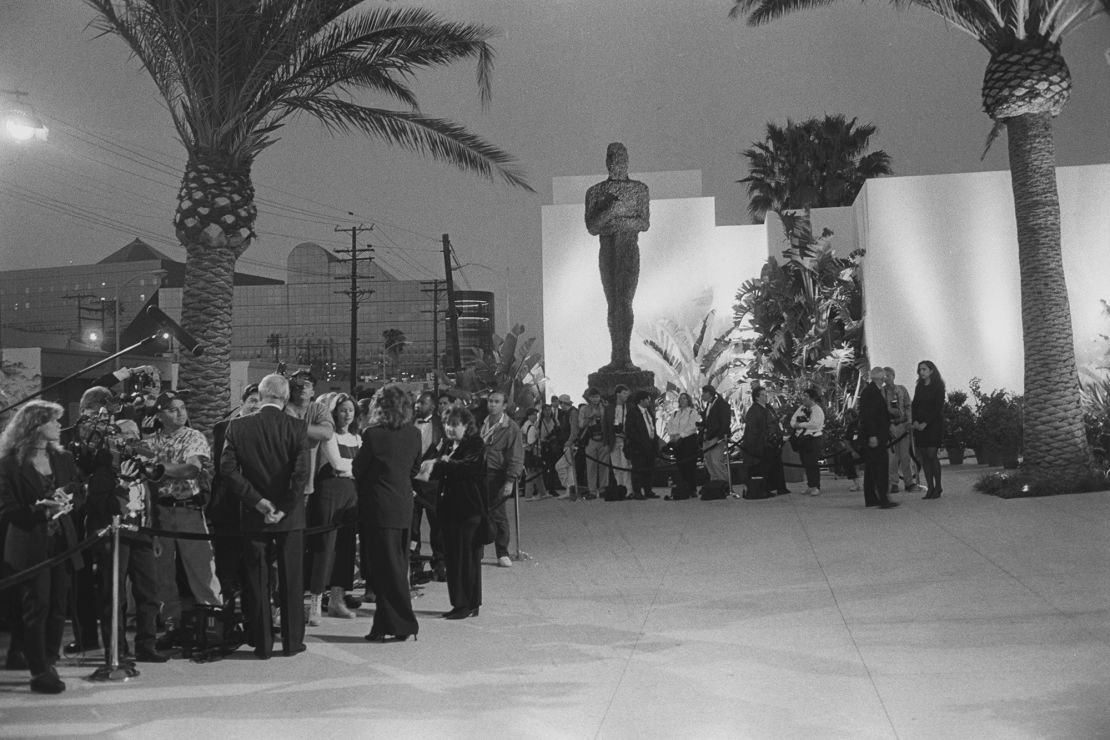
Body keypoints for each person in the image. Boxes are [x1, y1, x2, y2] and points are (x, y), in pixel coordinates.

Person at [73, 386, 167, 663]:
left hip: (142, 531)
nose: (132, 441)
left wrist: (155, 534)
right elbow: (93, 502)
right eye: (127, 436)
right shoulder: (101, 466)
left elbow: (153, 497)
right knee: (113, 595)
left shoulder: (141, 465)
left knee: (148, 592)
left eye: (135, 436)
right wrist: (120, 479)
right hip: (111, 532)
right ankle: (117, 650)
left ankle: (146, 646)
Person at [220, 373, 310, 659]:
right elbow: (300, 475)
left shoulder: (237, 427)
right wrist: (282, 507)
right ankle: (293, 642)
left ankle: (262, 643)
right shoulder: (296, 427)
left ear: (260, 396)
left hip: (253, 515)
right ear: (284, 399)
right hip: (290, 517)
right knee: (291, 579)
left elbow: (228, 470)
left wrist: (258, 502)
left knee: (257, 579)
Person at [0, 401, 83, 694]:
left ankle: (49, 661)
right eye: (53, 421)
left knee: (58, 606)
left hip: (62, 541)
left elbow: (77, 487)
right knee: (38, 605)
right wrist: (41, 510)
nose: (59, 426)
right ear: (36, 425)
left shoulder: (63, 458)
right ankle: (38, 670)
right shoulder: (9, 463)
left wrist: (70, 499)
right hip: (28, 542)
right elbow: (6, 509)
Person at [146, 391, 222, 647]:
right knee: (163, 573)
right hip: (160, 513)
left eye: (182, 408)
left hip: (188, 509)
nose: (179, 413)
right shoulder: (151, 441)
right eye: (171, 409)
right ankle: (172, 624)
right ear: (159, 414)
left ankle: (212, 622)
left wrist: (160, 469)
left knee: (201, 568)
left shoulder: (193, 436)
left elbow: (192, 468)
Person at [353, 386, 423, 642]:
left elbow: (359, 469)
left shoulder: (372, 435)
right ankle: (383, 625)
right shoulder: (414, 434)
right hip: (403, 506)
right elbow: (414, 467)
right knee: (395, 566)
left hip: (377, 508)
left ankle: (404, 623)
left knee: (383, 569)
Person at [584, 142, 651, 372]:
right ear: (606, 161)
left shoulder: (639, 190)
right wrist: (611, 211)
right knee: (613, 303)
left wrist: (615, 221)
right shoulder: (595, 192)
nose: (616, 162)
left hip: (628, 248)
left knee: (624, 301)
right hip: (607, 250)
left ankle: (625, 357)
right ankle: (617, 356)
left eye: (621, 157)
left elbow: (643, 222)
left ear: (627, 160)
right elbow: (592, 226)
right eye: (612, 157)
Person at [424, 407, 487, 620]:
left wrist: (443, 462)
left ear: (466, 426)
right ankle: (461, 602)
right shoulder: (447, 444)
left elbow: (467, 468)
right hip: (450, 508)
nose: (450, 429)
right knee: (454, 557)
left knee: (467, 558)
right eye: (447, 425)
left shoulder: (475, 444)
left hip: (469, 508)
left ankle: (467, 603)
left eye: (455, 425)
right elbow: (432, 466)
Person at [307, 393, 361, 625]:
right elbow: (338, 464)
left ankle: (337, 600)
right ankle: (315, 604)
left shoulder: (358, 438)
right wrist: (355, 468)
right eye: (342, 410)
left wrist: (353, 470)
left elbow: (359, 466)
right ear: (334, 412)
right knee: (325, 547)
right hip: (329, 494)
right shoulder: (329, 436)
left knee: (345, 547)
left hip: (351, 495)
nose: (347, 414)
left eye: (350, 410)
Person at [481, 391, 524, 566]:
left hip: (497, 474)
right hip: (480, 474)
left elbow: (516, 455)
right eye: (490, 401)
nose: (492, 404)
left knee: (498, 515)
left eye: (496, 402)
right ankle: (478, 550)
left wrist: (510, 480)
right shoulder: (482, 423)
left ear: (504, 405)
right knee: (479, 512)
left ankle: (502, 552)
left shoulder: (510, 427)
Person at [412, 391, 445, 581]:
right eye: (416, 403)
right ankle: (414, 562)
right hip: (412, 483)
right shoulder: (408, 424)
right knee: (412, 526)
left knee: (437, 525)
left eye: (422, 403)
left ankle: (440, 562)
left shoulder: (441, 425)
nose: (417, 406)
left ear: (432, 406)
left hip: (433, 484)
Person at [860, 367, 899, 509]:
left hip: (876, 435)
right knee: (880, 467)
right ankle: (883, 498)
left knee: (871, 468)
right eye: (885, 376)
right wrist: (872, 435)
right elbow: (868, 417)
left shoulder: (872, 391)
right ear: (880, 378)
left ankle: (871, 498)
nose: (886, 379)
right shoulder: (871, 393)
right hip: (875, 436)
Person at [740, 386, 787, 496]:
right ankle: (764, 489)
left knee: (776, 465)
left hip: (772, 442)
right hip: (762, 444)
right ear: (757, 397)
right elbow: (752, 430)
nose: (766, 396)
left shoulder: (768, 408)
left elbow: (773, 422)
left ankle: (780, 487)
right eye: (763, 395)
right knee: (764, 468)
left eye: (766, 394)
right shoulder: (753, 411)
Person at [912, 360, 946, 499]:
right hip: (919, 424)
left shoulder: (938, 386)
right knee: (924, 457)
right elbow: (914, 404)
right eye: (920, 369)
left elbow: (938, 407)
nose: (921, 372)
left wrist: (926, 423)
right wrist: (915, 421)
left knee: (931, 454)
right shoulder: (919, 386)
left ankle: (938, 486)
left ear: (931, 370)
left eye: (924, 369)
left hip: (933, 424)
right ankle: (930, 487)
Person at [884, 366, 921, 493]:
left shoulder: (902, 389)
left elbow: (908, 406)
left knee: (906, 456)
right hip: (891, 427)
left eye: (888, 375)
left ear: (893, 376)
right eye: (884, 376)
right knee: (892, 458)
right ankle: (893, 483)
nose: (886, 378)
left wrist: (909, 422)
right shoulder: (882, 392)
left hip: (904, 425)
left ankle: (909, 482)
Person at [789, 388, 826, 496]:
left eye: (805, 396)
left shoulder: (817, 410)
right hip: (802, 439)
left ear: (811, 398)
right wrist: (797, 424)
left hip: (813, 439)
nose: (803, 398)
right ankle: (810, 485)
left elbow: (815, 424)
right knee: (805, 462)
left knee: (812, 463)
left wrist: (800, 424)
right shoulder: (801, 408)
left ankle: (816, 486)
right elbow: (793, 420)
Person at [624, 389, 659, 499]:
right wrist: (641, 442)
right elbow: (631, 430)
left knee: (649, 469)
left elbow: (652, 427)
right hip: (638, 447)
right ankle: (637, 491)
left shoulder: (648, 411)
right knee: (638, 469)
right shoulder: (633, 412)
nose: (649, 401)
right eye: (647, 399)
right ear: (641, 400)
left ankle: (648, 490)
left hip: (650, 445)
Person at [664, 392, 700, 499]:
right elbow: (670, 425)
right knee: (681, 466)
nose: (682, 400)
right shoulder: (675, 413)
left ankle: (692, 489)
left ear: (688, 400)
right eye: (681, 399)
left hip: (688, 441)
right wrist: (673, 435)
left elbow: (693, 426)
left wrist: (681, 435)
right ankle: (683, 487)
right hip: (678, 443)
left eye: (684, 398)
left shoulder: (692, 412)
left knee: (690, 466)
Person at [577, 388, 608, 500]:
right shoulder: (584, 409)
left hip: (603, 439)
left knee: (604, 465)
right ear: (589, 398)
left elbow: (608, 422)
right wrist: (591, 416)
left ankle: (604, 488)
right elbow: (580, 425)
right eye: (593, 397)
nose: (595, 399)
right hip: (590, 439)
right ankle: (592, 490)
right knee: (591, 466)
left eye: (597, 397)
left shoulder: (604, 407)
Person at [603, 385, 632, 495]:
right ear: (618, 394)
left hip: (625, 440)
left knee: (626, 465)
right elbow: (605, 426)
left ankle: (628, 490)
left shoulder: (630, 407)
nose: (626, 396)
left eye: (627, 394)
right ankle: (620, 489)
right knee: (616, 466)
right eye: (624, 393)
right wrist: (606, 443)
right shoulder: (609, 408)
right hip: (613, 440)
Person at [700, 384, 732, 484]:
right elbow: (708, 421)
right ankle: (715, 482)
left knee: (717, 461)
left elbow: (725, 422)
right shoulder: (709, 405)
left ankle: (724, 483)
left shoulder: (721, 404)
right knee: (708, 461)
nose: (702, 395)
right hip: (708, 437)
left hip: (716, 438)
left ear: (709, 393)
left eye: (704, 393)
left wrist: (720, 436)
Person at [553, 394, 579, 499]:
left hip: (570, 444)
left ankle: (569, 487)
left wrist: (569, 441)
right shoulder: (568, 413)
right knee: (569, 468)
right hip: (569, 443)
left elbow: (574, 430)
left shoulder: (572, 413)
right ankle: (570, 490)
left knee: (560, 466)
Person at [519, 407, 548, 500]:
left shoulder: (525, 425)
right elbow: (531, 441)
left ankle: (543, 492)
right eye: (534, 415)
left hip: (528, 452)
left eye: (536, 415)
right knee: (531, 473)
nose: (536, 417)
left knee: (538, 472)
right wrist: (537, 436)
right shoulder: (531, 427)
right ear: (529, 416)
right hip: (532, 453)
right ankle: (528, 495)